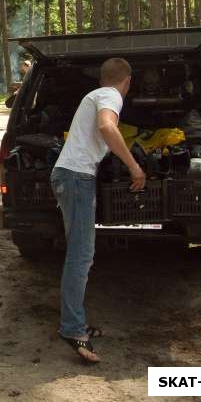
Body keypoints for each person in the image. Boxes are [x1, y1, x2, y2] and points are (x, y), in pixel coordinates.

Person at [49, 57, 145, 363]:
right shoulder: (110, 95)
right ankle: (72, 329)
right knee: (81, 255)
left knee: (80, 254)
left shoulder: (95, 94)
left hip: (72, 176)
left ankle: (74, 322)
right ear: (126, 81)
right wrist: (134, 167)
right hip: (76, 178)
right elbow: (106, 126)